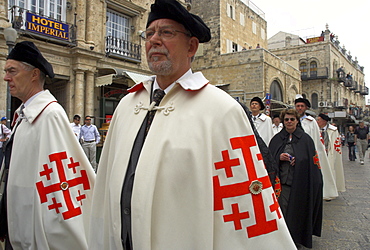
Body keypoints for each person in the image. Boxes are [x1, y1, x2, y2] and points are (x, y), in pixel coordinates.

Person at [88, 0, 296, 249]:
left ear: (191, 46)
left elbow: (245, 208)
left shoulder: (220, 110)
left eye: (166, 32)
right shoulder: (127, 105)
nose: (154, 40)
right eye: (149, 33)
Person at [1, 41, 95, 249]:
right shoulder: (23, 115)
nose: (6, 77)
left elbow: (60, 181)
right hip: (15, 223)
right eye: (6, 71)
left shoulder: (49, 115)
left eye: (12, 71)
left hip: (34, 228)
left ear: (34, 74)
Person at [269, 109, 323, 248]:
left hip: (300, 183)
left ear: (297, 121)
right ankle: (283, 239)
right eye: (286, 119)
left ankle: (296, 239)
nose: (289, 122)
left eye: (292, 119)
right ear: (283, 121)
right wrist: (279, 157)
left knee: (298, 212)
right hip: (283, 184)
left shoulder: (306, 140)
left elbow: (311, 161)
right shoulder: (276, 139)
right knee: (284, 212)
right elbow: (269, 160)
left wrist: (299, 161)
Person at [295, 95, 338, 200]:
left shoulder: (311, 122)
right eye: (297, 106)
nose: (299, 108)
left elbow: (316, 138)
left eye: (302, 106)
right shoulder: (291, 120)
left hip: (308, 151)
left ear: (306, 108)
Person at [316, 113, 345, 193]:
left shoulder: (333, 130)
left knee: (330, 171)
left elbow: (336, 143)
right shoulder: (315, 129)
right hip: (318, 154)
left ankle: (329, 190)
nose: (317, 121)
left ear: (324, 121)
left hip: (329, 153)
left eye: (318, 120)